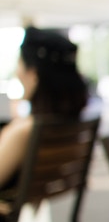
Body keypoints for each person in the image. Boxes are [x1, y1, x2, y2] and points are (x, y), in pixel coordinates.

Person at [0, 27, 90, 207]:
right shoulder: (69, 125)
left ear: (33, 75)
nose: (17, 73)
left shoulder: (24, 131)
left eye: (19, 65)